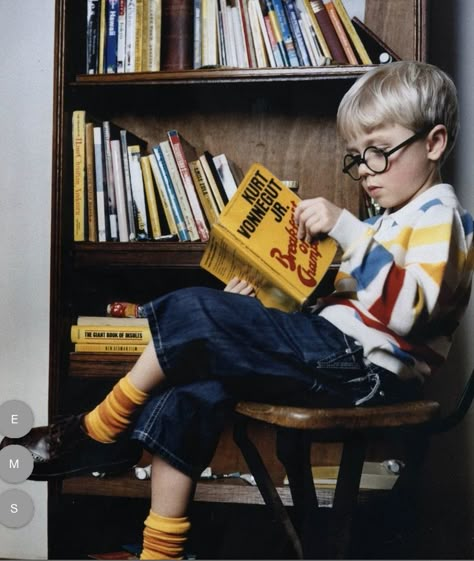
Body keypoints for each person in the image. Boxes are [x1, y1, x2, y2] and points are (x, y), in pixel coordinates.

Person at [2, 61, 473, 560]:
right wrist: (264, 300)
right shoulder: (391, 219)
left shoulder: (441, 216)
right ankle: (159, 553)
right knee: (193, 384)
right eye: (356, 157)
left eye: (379, 151)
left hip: (367, 373)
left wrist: (345, 228)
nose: (365, 171)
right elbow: (355, 301)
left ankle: (100, 427)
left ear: (434, 143)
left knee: (194, 309)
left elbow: (407, 311)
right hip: (336, 355)